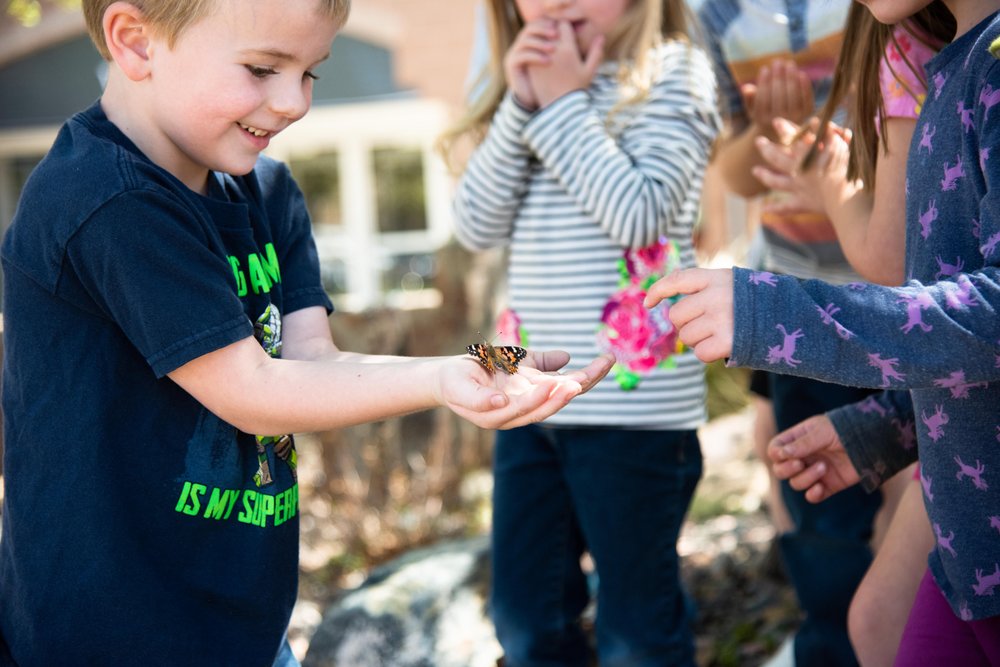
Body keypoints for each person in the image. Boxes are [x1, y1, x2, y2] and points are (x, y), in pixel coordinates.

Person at [0, 1, 615, 664]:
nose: (294, 103)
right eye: (263, 69)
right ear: (136, 41)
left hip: (242, 629)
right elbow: (253, 390)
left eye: (310, 72)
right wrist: (440, 380)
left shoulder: (265, 191)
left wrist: (469, 366)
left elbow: (311, 360)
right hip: (110, 637)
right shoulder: (106, 199)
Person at [646, 0, 1000, 662]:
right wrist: (883, 429)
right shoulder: (955, 64)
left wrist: (777, 315)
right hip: (969, 552)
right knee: (873, 625)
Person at [438, 0, 721, 663]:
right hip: (525, 394)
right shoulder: (524, 92)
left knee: (637, 632)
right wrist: (522, 103)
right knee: (524, 616)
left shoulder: (673, 73)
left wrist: (564, 103)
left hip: (634, 413)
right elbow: (475, 226)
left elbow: (640, 216)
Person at [749, 4, 954, 663]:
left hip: (930, 387)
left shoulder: (914, 49)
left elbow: (892, 256)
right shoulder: (922, 43)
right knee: (873, 618)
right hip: (937, 401)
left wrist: (830, 185)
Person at [694, 2, 883, 665]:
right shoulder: (718, 15)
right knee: (819, 506)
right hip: (793, 298)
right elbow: (734, 168)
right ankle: (832, 642)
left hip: (898, 291)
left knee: (906, 491)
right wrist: (770, 130)